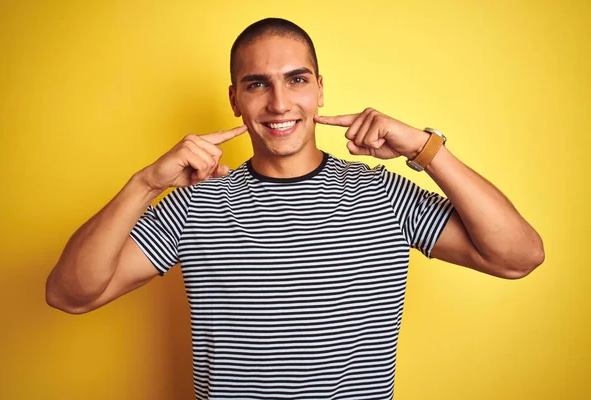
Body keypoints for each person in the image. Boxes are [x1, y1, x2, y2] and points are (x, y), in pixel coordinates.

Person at [46, 17, 544, 400]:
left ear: (320, 89)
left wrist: (425, 149)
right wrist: (143, 184)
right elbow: (71, 294)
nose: (280, 103)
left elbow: (518, 257)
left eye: (297, 80)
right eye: (258, 83)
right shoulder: (198, 203)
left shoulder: (383, 194)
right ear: (235, 99)